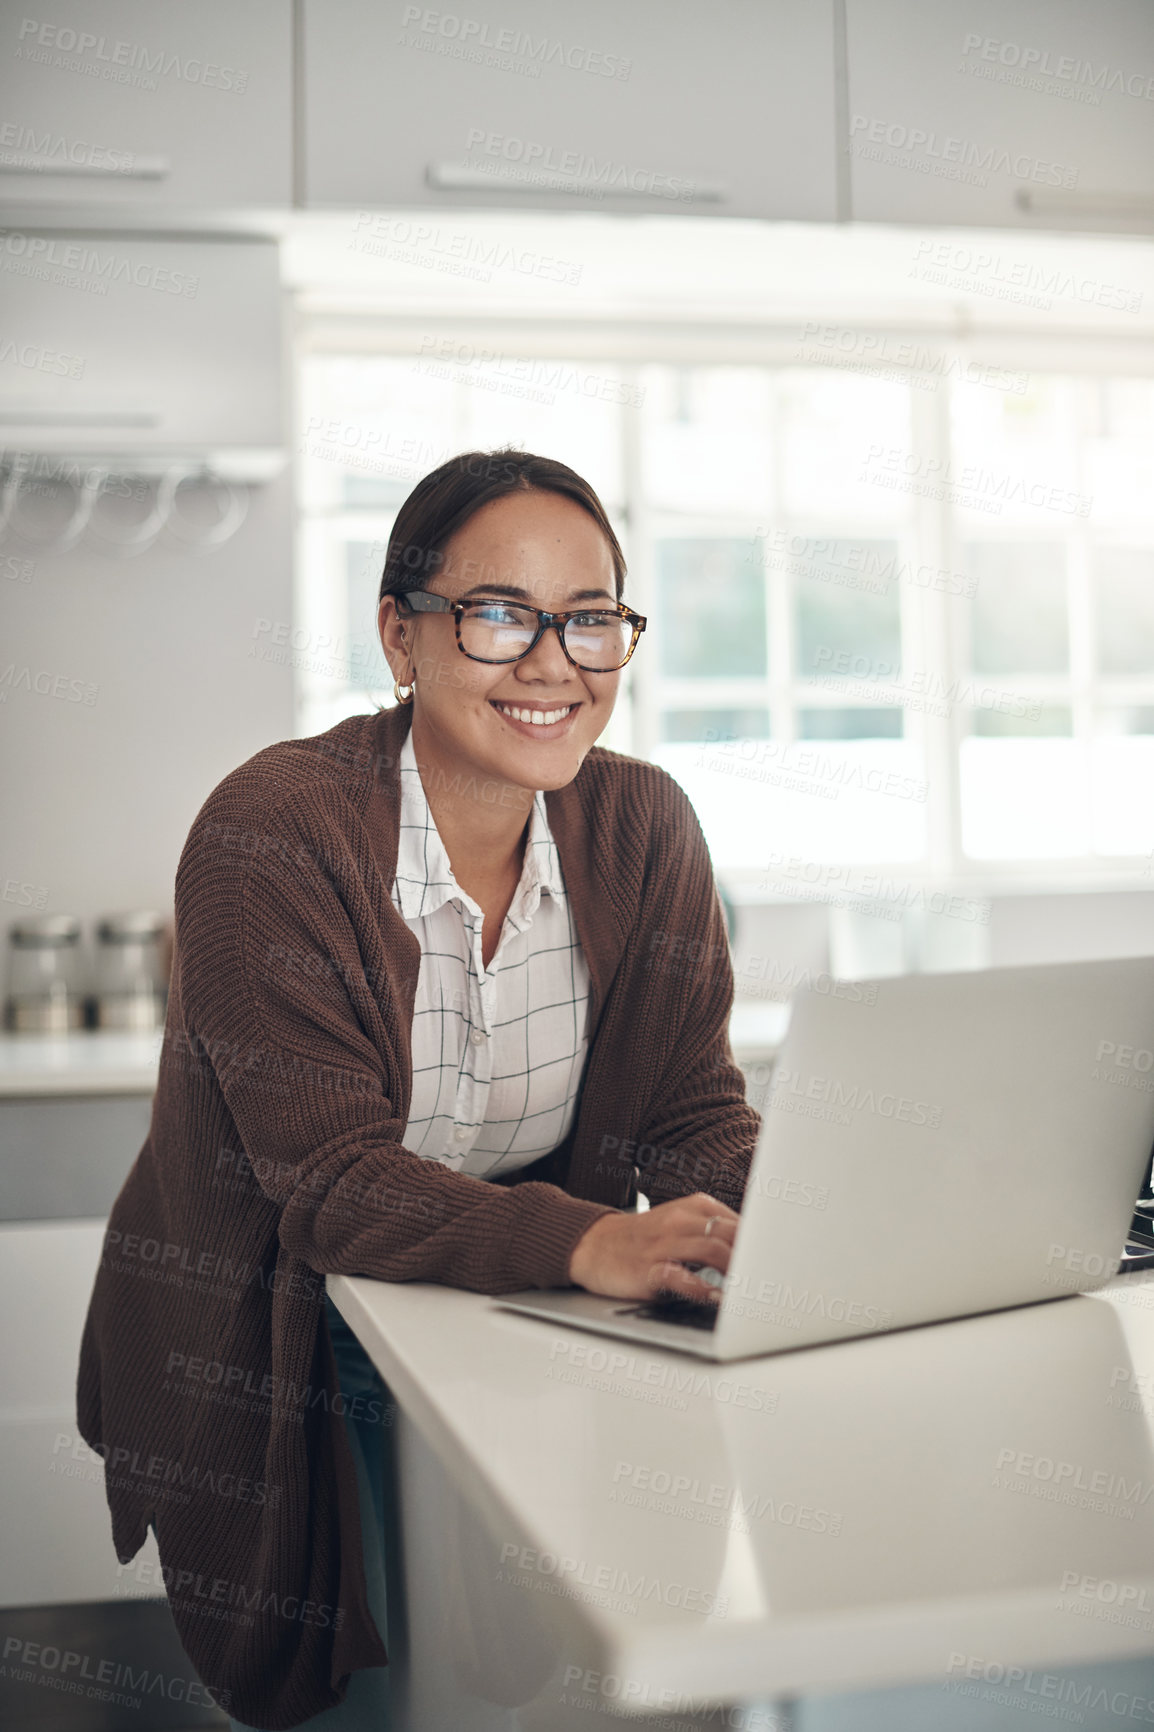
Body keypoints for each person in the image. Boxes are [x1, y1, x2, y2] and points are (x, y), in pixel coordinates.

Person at [76, 448, 760, 1730]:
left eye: (591, 618)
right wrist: (594, 1239)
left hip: (508, 1304)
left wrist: (820, 1205)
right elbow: (328, 1187)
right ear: (401, 635)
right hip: (290, 1323)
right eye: (499, 614)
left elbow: (687, 1115)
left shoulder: (643, 824)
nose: (553, 662)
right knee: (378, 1694)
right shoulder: (271, 830)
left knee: (575, 1660)